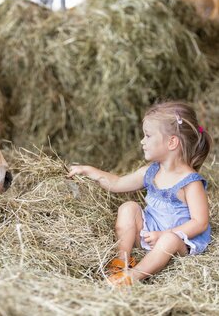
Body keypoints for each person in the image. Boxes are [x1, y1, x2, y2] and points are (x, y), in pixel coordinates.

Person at [67, 101, 212, 286]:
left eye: (148, 136)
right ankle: (122, 261)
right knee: (129, 208)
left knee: (169, 240)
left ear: (172, 142)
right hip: (150, 234)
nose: (142, 141)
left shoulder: (191, 182)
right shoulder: (151, 172)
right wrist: (89, 171)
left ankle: (132, 277)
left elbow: (200, 223)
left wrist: (165, 234)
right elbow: (117, 183)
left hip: (179, 242)